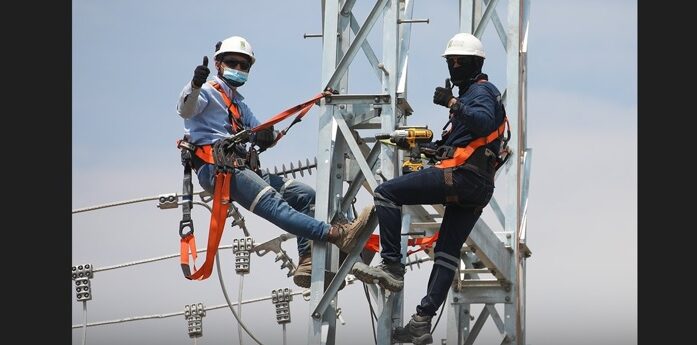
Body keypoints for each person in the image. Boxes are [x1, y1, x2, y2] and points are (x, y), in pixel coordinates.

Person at [176, 35, 374, 289]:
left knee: (305, 195)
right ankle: (337, 235)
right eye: (232, 63)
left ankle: (307, 259)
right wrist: (194, 84)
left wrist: (269, 134)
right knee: (275, 205)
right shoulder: (205, 93)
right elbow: (186, 109)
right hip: (218, 168)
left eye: (243, 65)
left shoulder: (238, 104)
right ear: (219, 64)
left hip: (239, 167)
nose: (238, 69)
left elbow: (262, 131)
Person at [351, 32, 507, 344]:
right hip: (476, 187)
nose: (454, 66)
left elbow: (484, 121)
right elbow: (469, 140)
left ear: (475, 63)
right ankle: (422, 320)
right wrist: (430, 147)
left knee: (387, 193)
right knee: (447, 252)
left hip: (462, 177)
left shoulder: (482, 92)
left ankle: (392, 265)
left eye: (458, 61)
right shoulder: (475, 97)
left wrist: (452, 102)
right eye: (450, 61)